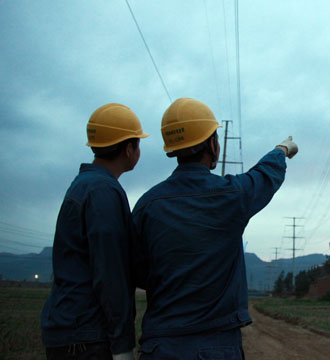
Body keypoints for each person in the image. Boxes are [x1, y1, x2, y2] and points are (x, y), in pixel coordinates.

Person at [132, 97, 297, 359]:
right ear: (212, 143)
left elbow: (138, 273)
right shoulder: (231, 196)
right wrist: (281, 149)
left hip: (160, 346)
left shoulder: (146, 206)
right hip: (216, 345)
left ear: (173, 148)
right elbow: (264, 176)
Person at [41, 103, 149, 360]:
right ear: (128, 149)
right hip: (87, 337)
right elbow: (110, 271)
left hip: (70, 329)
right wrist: (122, 345)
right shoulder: (103, 192)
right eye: (138, 144)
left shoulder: (83, 185)